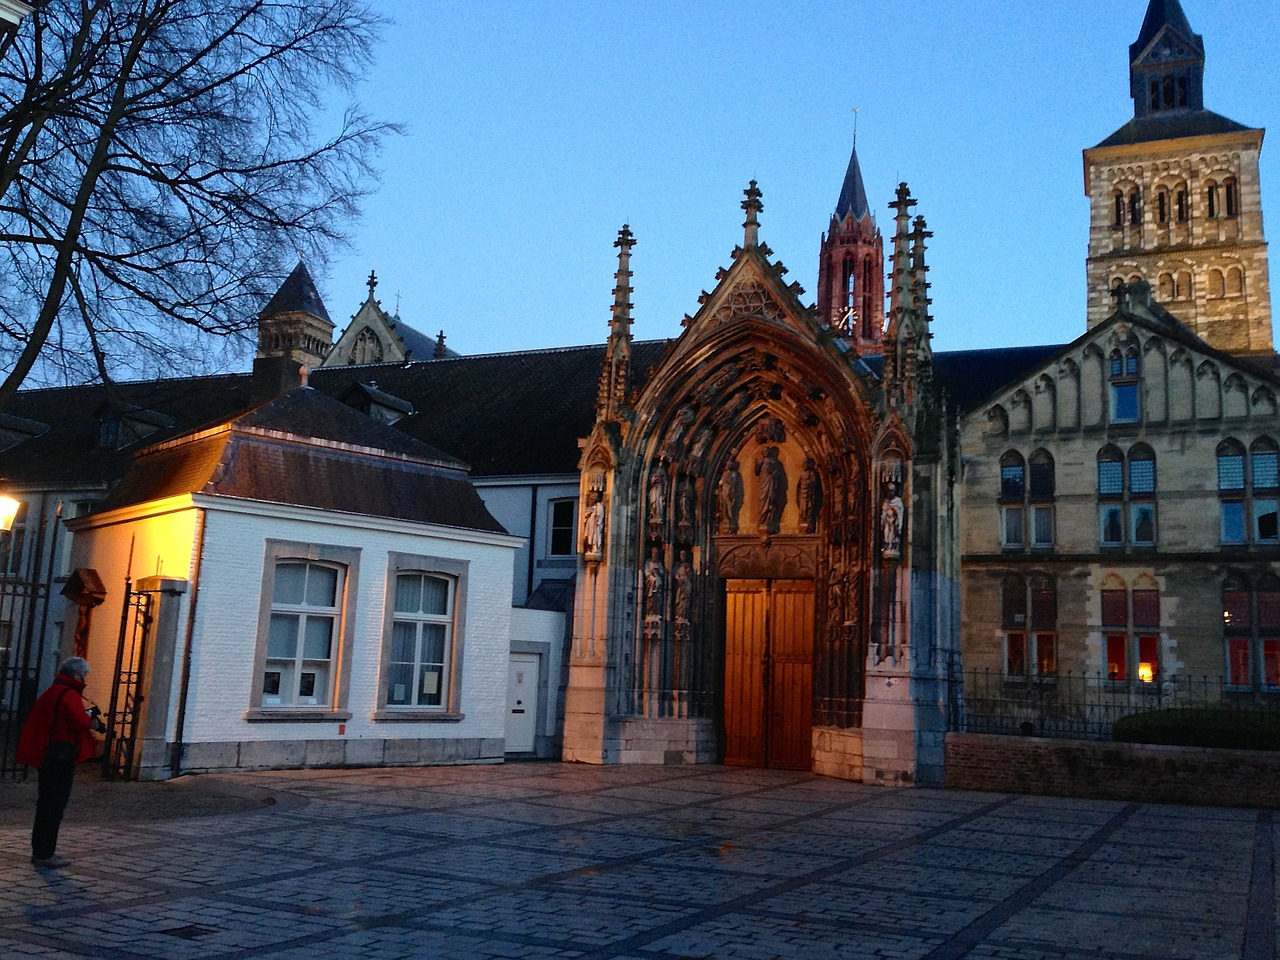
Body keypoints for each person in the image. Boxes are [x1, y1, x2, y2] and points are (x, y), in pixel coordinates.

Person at [17, 657, 104, 869]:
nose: (84, 680)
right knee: (54, 804)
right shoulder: (69, 694)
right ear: (75, 675)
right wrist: (93, 721)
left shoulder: (52, 691)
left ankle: (40, 850)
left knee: (45, 802)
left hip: (48, 754)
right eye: (82, 676)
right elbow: (79, 720)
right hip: (60, 756)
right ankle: (46, 853)